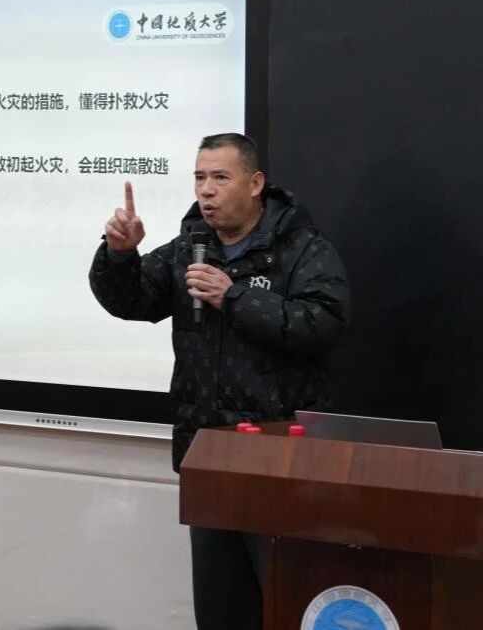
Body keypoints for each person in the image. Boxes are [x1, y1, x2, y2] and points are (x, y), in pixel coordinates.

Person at [88, 132, 351, 630]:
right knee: (220, 609)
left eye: (220, 177)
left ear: (255, 183)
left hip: (281, 465)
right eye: (199, 178)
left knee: (285, 604)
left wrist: (235, 298)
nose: (206, 190)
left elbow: (325, 324)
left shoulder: (301, 249)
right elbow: (131, 300)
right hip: (208, 457)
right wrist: (120, 255)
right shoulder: (189, 248)